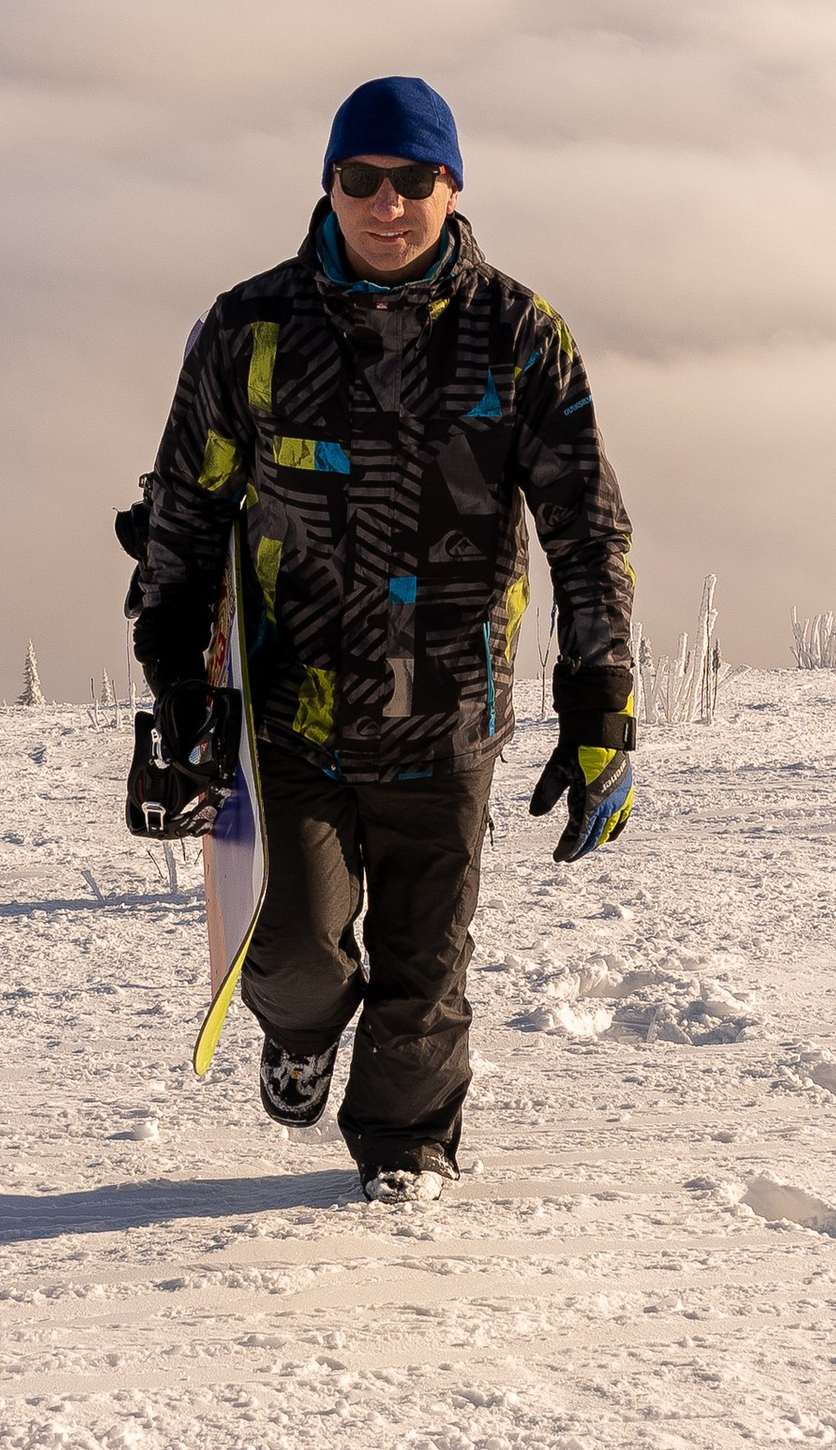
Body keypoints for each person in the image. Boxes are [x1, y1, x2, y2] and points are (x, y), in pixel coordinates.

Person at [126, 75, 637, 1204]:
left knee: (424, 970)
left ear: (453, 188)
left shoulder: (518, 337)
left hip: (451, 713)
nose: (387, 203)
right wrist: (176, 677)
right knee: (296, 950)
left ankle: (404, 1155)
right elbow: (188, 507)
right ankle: (301, 1036)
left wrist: (602, 708)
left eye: (414, 181)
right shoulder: (251, 328)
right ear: (329, 185)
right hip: (291, 712)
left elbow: (584, 528)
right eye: (363, 179)